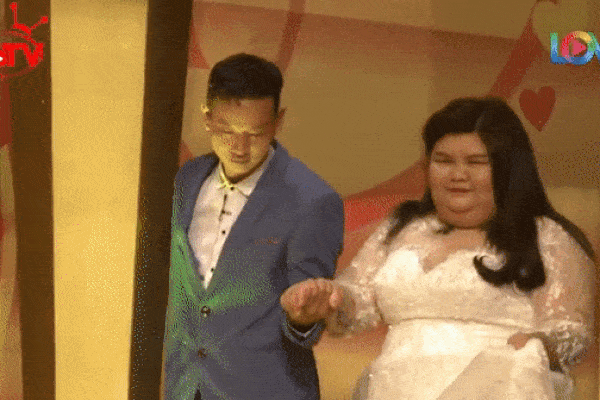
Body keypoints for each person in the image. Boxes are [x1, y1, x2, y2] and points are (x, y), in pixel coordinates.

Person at [281, 97, 597, 399]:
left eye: (476, 162)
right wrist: (327, 299)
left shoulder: (546, 236)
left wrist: (535, 346)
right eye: (443, 161)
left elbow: (570, 331)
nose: (458, 175)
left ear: (508, 169)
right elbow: (356, 301)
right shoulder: (401, 227)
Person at [162, 53, 344, 400]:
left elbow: (308, 313)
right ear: (207, 117)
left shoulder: (313, 200)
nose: (240, 147)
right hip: (186, 385)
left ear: (278, 121)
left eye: (255, 133)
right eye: (226, 130)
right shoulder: (186, 178)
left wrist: (303, 318)